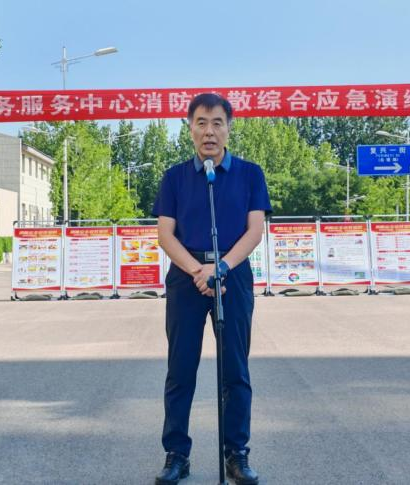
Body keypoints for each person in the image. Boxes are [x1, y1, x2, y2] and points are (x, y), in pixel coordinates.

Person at [152, 93, 272, 485]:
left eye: (217, 123)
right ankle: (177, 454)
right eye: (201, 123)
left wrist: (220, 268)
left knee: (235, 369)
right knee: (180, 369)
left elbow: (255, 230)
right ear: (189, 128)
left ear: (229, 128)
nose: (209, 131)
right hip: (187, 277)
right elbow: (165, 235)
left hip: (231, 275)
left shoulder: (250, 174)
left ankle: (237, 453)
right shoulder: (174, 177)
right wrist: (198, 271)